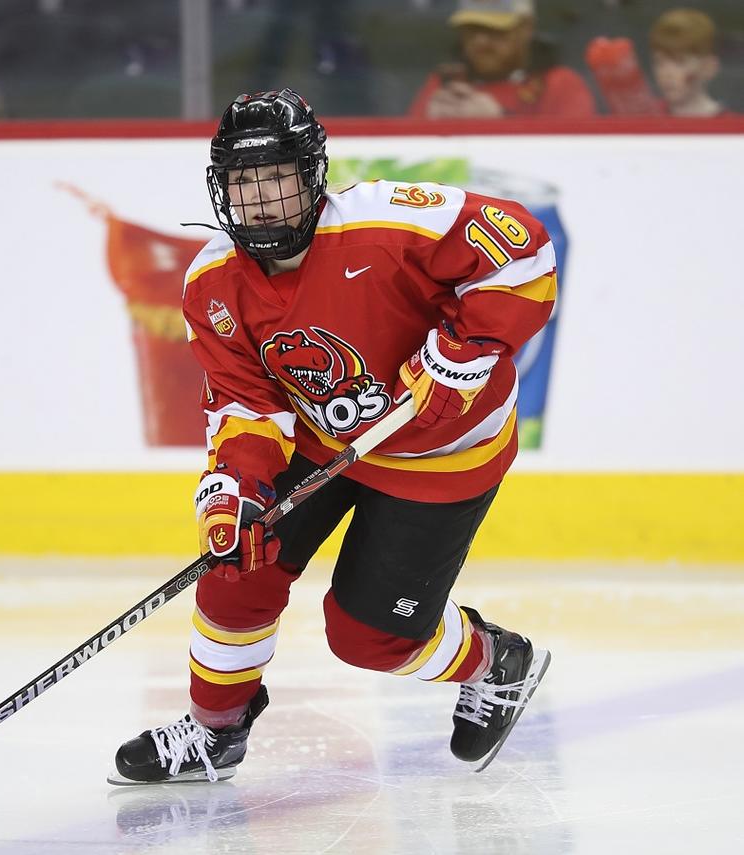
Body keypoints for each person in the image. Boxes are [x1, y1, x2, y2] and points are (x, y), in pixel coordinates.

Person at [110, 88, 554, 785]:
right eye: (243, 180)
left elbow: (521, 251)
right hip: (323, 442)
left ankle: (495, 660)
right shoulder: (213, 284)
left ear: (313, 174)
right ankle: (215, 731)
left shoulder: (385, 223)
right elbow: (245, 403)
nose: (259, 199)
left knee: (368, 639)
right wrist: (235, 489)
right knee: (236, 562)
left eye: (276, 176)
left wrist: (463, 354)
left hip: (440, 454)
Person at [408, 0, 596, 119]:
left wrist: (500, 122)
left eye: (494, 30)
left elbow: (573, 157)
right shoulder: (445, 84)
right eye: (471, 29)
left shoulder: (560, 84)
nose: (480, 41)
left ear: (526, 28)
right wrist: (430, 127)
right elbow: (408, 154)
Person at [649, 7, 728, 118]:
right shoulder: (645, 117)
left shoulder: (732, 126)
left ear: (708, 67)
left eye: (679, 62)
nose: (666, 74)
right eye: (660, 62)